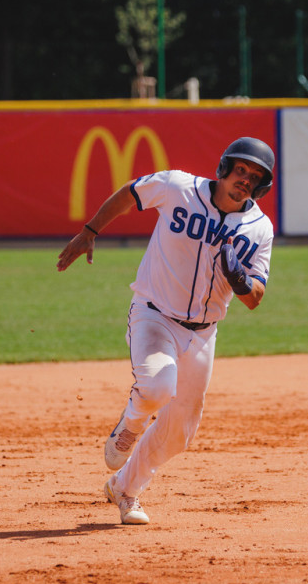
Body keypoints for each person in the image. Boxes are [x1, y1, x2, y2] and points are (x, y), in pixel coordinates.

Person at [56, 137, 275, 524]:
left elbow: (255, 297)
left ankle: (125, 489)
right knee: (158, 386)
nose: (244, 180)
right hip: (154, 314)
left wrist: (240, 279)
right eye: (240, 170)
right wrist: (91, 230)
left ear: (260, 187)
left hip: (203, 333)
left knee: (179, 434)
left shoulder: (259, 229)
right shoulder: (179, 188)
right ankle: (129, 426)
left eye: (253, 177)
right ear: (225, 168)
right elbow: (131, 193)